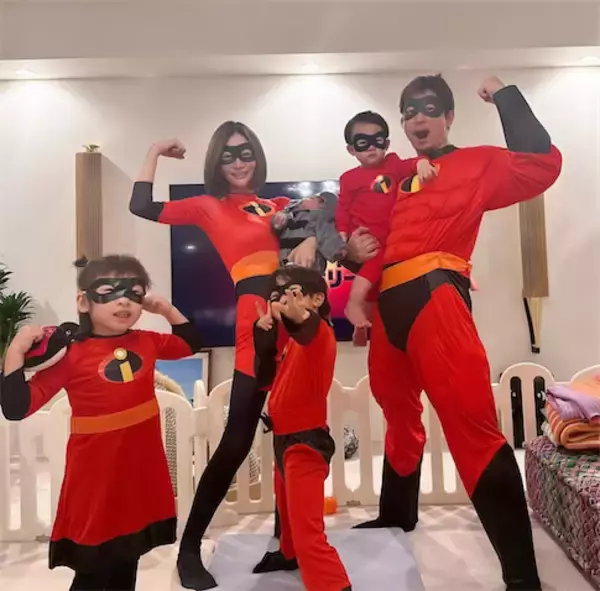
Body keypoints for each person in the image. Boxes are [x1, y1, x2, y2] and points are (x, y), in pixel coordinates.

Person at [129, 123, 376, 590]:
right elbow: (141, 205)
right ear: (216, 163)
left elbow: (328, 217)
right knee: (236, 441)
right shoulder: (209, 206)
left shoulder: (280, 206)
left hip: (301, 322)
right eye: (228, 155)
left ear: (257, 156)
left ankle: (288, 545)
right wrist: (156, 149)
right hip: (257, 321)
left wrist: (313, 239)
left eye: (245, 152)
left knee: (294, 433)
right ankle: (188, 549)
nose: (239, 162)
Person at [360, 75, 562, 591]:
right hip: (387, 307)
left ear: (449, 116)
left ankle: (523, 579)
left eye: (429, 109)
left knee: (471, 427)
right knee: (396, 412)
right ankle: (397, 514)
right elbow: (368, 236)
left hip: (435, 295)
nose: (417, 119)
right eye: (409, 112)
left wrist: (505, 96)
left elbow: (541, 163)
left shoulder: (477, 163)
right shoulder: (395, 177)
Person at [0, 255, 203, 591]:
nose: (124, 301)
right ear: (84, 301)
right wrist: (14, 354)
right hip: (95, 476)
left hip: (140, 469)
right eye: (109, 292)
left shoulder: (147, 342)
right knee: (93, 566)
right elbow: (17, 407)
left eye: (135, 293)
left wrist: (166, 310)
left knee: (129, 555)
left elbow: (190, 343)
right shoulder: (70, 356)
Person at [252, 265, 351, 591]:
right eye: (278, 296)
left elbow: (306, 327)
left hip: (305, 444)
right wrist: (264, 337)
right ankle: (288, 553)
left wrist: (297, 316)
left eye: (293, 293)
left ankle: (333, 584)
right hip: (284, 438)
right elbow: (267, 380)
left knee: (308, 530)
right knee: (288, 515)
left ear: (317, 299)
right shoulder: (291, 345)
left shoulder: (319, 333)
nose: (283, 301)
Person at [336, 111, 437, 345]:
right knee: (375, 266)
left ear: (387, 143)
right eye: (362, 143)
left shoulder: (393, 164)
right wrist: (342, 234)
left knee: (379, 288)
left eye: (378, 140)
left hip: (393, 239)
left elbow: (410, 165)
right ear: (351, 149)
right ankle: (353, 303)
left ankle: (363, 326)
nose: (371, 147)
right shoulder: (349, 178)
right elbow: (343, 207)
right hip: (367, 238)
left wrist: (422, 163)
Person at [272, 192, 348, 274]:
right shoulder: (289, 214)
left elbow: (327, 235)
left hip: (310, 266)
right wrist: (278, 222)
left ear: (321, 206)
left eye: (312, 198)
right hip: (285, 260)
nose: (305, 199)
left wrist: (336, 249)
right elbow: (277, 229)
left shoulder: (319, 219)